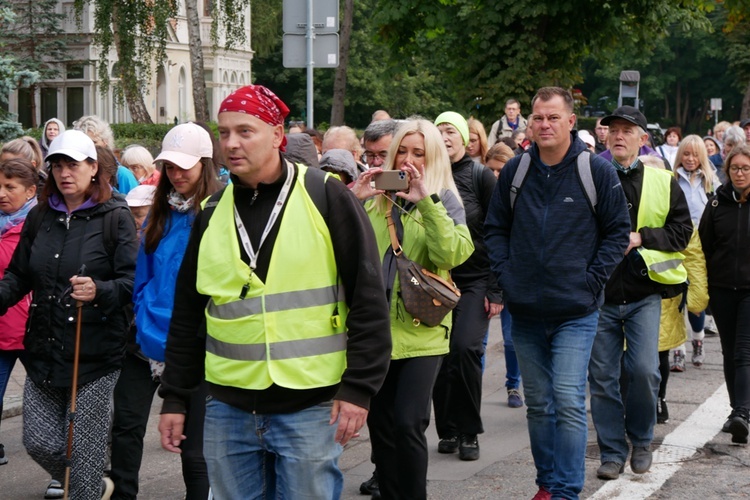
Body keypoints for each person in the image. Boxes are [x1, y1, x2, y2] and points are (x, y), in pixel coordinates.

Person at [157, 85, 391, 499]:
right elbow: (188, 314)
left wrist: (359, 388)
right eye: (224, 132)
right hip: (228, 406)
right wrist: (176, 396)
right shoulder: (211, 212)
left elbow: (369, 299)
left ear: (277, 133)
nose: (231, 143)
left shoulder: (325, 195)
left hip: (310, 405)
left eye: (245, 131)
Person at [484, 86, 631, 500]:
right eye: (538, 118)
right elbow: (495, 229)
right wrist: (507, 276)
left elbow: (617, 232)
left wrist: (591, 280)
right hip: (526, 310)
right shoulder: (516, 171)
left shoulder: (595, 171)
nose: (544, 124)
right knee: (539, 405)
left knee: (566, 400)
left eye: (553, 117)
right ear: (529, 123)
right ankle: (546, 484)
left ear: (571, 122)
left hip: (576, 310)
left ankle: (566, 491)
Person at [0, 129, 137, 499]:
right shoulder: (41, 215)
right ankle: (89, 481)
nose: (64, 173)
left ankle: (88, 485)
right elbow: (19, 275)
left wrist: (100, 290)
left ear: (93, 167)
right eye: (57, 165)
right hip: (43, 349)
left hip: (93, 354)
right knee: (38, 441)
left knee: (85, 452)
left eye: (73, 164)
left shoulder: (116, 215)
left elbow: (132, 281)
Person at [350, 118, 473, 498]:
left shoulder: (444, 200)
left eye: (418, 153)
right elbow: (337, 249)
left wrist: (427, 202)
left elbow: (453, 253)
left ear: (433, 157)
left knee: (408, 424)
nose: (408, 160)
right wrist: (352, 197)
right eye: (401, 151)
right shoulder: (376, 197)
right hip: (376, 333)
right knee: (383, 428)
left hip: (422, 333)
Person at [110, 123, 220, 500]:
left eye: (184, 166)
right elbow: (143, 275)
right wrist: (142, 315)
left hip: (196, 346)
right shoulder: (159, 213)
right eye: (170, 167)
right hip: (146, 342)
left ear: (204, 164)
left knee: (195, 450)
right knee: (125, 428)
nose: (176, 174)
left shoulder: (220, 212)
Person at [588, 106, 692, 482]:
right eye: (612, 129)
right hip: (599, 295)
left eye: (627, 131)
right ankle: (613, 452)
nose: (618, 136)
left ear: (642, 139)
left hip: (644, 295)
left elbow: (682, 231)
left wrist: (642, 237)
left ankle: (642, 440)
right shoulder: (591, 177)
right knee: (601, 378)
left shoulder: (664, 181)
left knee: (645, 371)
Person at [428, 112, 499, 461]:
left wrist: (497, 289)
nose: (445, 136)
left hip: (475, 279)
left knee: (465, 349)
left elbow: (501, 231)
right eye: (438, 130)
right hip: (435, 279)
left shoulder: (481, 175)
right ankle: (449, 430)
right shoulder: (426, 176)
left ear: (463, 138)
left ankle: (470, 430)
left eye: (450, 130)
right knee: (439, 355)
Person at [699, 143, 750, 444]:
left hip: (749, 291)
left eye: (745, 168)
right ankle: (736, 411)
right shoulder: (716, 204)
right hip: (721, 289)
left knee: (744, 351)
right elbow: (703, 246)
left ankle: (742, 412)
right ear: (727, 171)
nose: (740, 173)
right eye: (735, 168)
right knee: (730, 352)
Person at [668, 135, 721, 371]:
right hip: (674, 245)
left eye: (695, 154)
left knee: (698, 299)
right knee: (674, 299)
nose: (690, 159)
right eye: (686, 154)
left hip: (701, 248)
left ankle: (698, 340)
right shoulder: (670, 180)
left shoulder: (712, 182)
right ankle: (678, 349)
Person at [0, 158, 38, 466]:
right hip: (0, 330)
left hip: (33, 328)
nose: (1, 193)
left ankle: (61, 468)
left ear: (30, 191)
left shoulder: (40, 224)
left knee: (51, 404)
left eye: (10, 187)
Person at [74, 115, 139, 195]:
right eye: (84, 143)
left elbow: (137, 205)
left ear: (105, 141)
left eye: (94, 142)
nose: (90, 147)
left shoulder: (121, 174)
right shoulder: (73, 172)